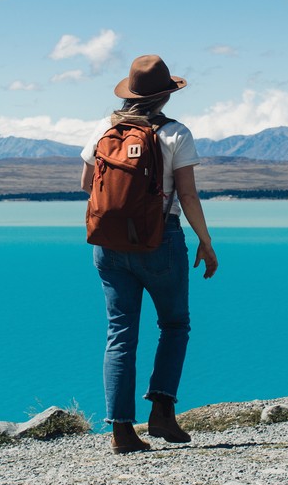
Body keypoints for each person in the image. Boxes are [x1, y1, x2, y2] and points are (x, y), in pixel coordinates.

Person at [80, 54, 218, 454]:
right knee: (174, 325)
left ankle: (121, 432)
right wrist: (206, 242)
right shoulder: (176, 134)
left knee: (120, 334)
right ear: (165, 97)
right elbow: (187, 194)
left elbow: (87, 182)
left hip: (108, 244)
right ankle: (161, 413)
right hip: (160, 241)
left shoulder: (106, 127)